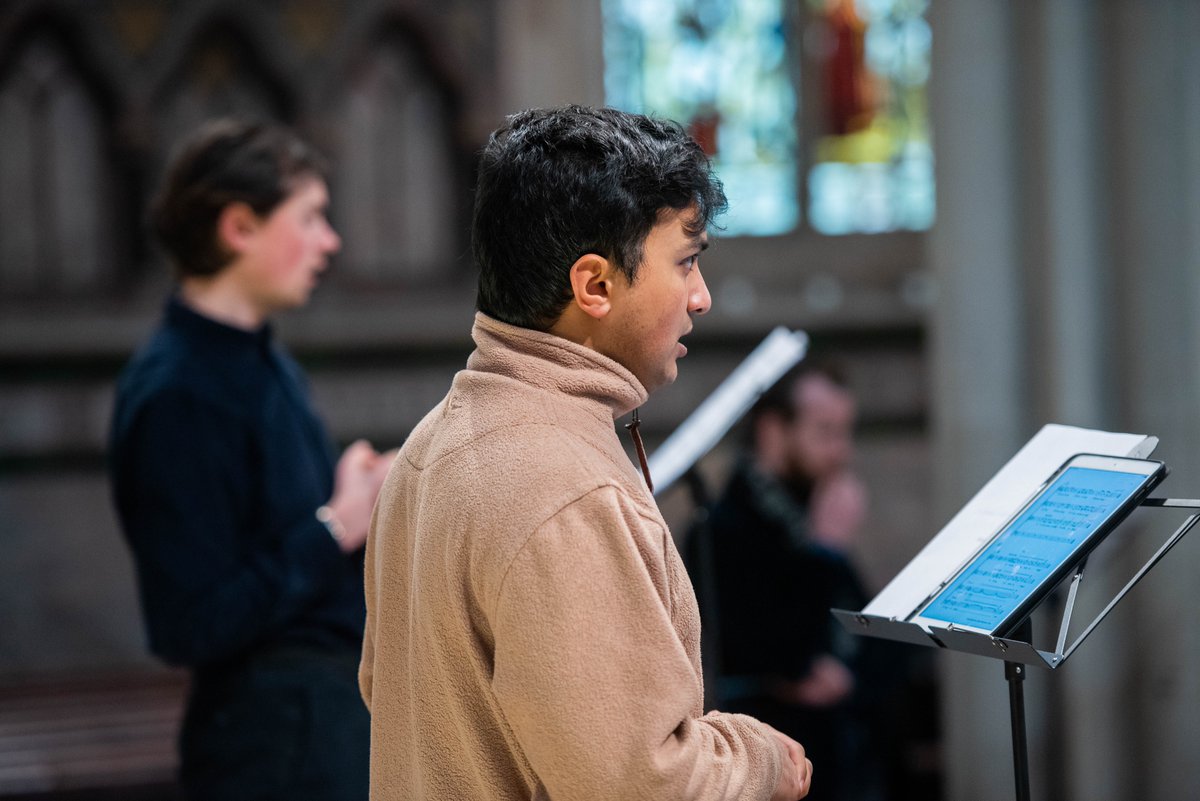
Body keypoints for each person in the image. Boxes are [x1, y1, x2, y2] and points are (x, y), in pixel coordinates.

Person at [359, 105, 813, 801]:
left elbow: (383, 687)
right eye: (685, 262)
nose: (702, 297)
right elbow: (638, 783)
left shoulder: (432, 442)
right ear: (594, 286)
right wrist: (759, 759)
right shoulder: (565, 490)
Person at [109, 119, 392, 801]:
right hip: (272, 742)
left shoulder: (257, 354)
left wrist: (344, 491)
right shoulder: (177, 391)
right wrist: (336, 523)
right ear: (239, 227)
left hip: (320, 716)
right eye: (312, 217)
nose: (331, 241)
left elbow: (270, 525)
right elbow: (194, 620)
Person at [687, 363, 887, 801]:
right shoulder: (724, 527)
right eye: (825, 431)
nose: (841, 450)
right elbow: (773, 648)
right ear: (774, 431)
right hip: (777, 759)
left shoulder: (807, 512)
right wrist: (827, 552)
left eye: (845, 432)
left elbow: (869, 636)